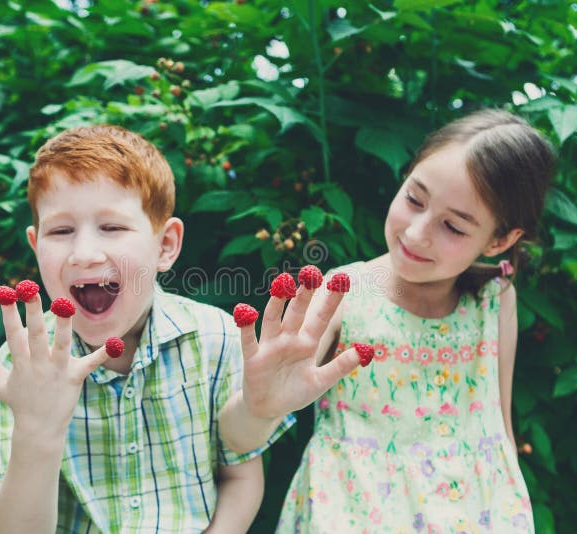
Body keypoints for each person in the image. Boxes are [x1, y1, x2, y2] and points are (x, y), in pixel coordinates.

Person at [219, 109, 556, 532]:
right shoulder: (341, 294)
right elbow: (237, 439)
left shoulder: (496, 298)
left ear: (500, 241)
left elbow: (497, 426)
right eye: (414, 198)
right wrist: (259, 406)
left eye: (453, 226)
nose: (416, 233)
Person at [0, 125, 294, 533]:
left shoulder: (217, 338)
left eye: (113, 227)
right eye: (61, 231)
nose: (84, 254)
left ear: (165, 246)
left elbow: (241, 477)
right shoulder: (21, 369)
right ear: (36, 246)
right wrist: (37, 430)